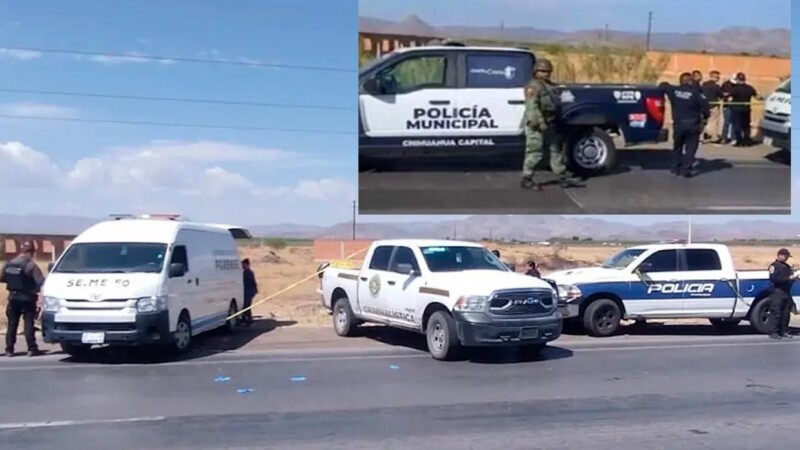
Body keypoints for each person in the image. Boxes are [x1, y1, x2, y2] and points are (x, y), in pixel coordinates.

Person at [521, 58, 581, 191]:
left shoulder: (551, 86)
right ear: (535, 72)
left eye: (547, 71)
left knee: (555, 150)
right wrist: (540, 123)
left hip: (550, 122)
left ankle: (562, 177)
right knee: (535, 152)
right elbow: (532, 107)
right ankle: (527, 178)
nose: (545, 74)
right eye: (542, 71)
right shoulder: (534, 86)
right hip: (536, 124)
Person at [659, 72, 710, 178]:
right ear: (690, 81)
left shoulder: (673, 90)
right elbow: (706, 109)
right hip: (693, 125)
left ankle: (675, 168)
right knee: (690, 148)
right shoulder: (696, 93)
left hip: (678, 124)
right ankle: (686, 169)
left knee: (677, 146)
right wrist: (704, 119)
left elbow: (663, 85)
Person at [0, 241, 45, 356]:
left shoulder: (9, 264)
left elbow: (2, 278)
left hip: (13, 298)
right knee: (28, 324)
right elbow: (41, 282)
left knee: (12, 324)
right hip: (28, 298)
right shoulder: (30, 265)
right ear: (32, 252)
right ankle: (32, 348)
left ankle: (9, 350)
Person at [767, 248, 796, 340]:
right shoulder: (774, 266)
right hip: (777, 292)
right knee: (776, 312)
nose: (787, 258)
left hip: (786, 292)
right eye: (785, 256)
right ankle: (774, 332)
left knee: (785, 313)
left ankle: (783, 331)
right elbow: (775, 279)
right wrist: (788, 278)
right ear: (780, 255)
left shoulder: (787, 266)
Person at [729, 72, 759, 147]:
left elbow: (729, 98)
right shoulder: (749, 88)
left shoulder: (735, 89)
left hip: (736, 109)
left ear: (737, 79)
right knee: (746, 126)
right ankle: (746, 141)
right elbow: (757, 97)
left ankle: (739, 141)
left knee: (737, 126)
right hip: (746, 109)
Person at [701, 70, 723, 143]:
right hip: (713, 105)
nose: (718, 78)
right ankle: (711, 135)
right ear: (715, 77)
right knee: (713, 121)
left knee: (705, 120)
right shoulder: (715, 86)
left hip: (704, 105)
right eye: (718, 77)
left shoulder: (704, 84)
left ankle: (704, 135)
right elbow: (721, 95)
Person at [720, 74, 738, 144]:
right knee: (726, 123)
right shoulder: (726, 84)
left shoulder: (738, 86)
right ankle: (724, 137)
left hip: (735, 106)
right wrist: (726, 96)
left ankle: (733, 138)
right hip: (727, 106)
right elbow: (721, 93)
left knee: (734, 123)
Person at [241, 258, 258, 326]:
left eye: (243, 265)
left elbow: (251, 283)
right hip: (249, 291)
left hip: (249, 291)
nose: (242, 266)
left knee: (246, 306)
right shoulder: (248, 272)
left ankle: (248, 320)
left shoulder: (247, 273)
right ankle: (246, 319)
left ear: (247, 265)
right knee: (246, 306)